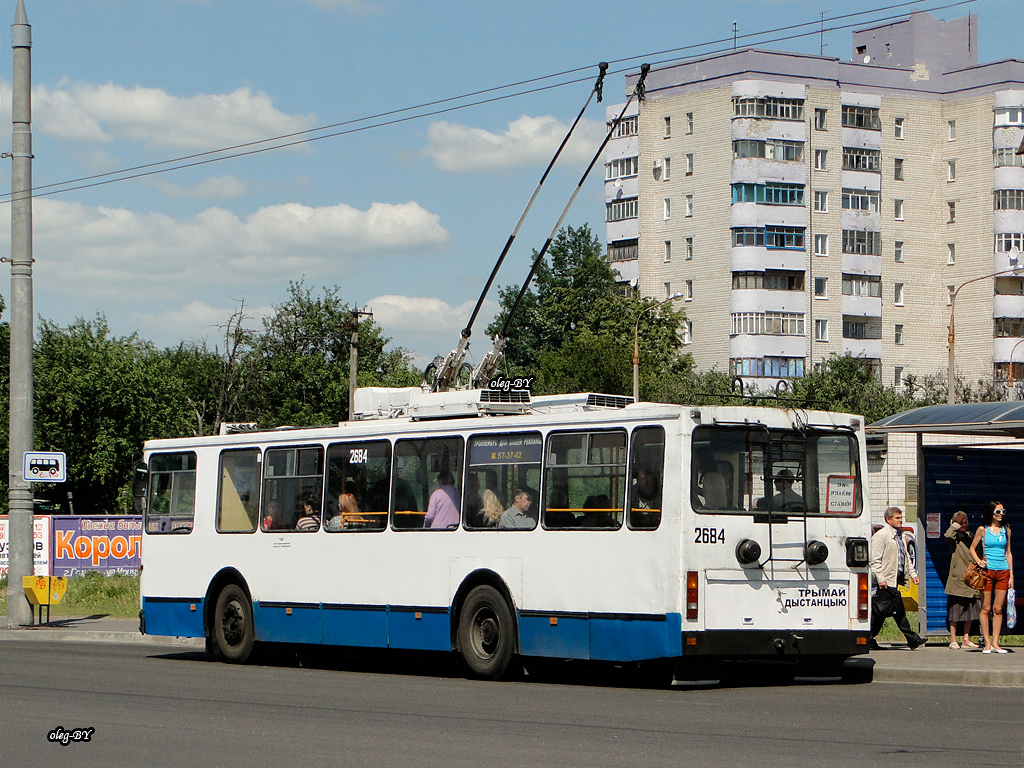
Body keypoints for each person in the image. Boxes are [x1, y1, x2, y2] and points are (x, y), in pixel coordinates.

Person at [870, 506, 925, 650]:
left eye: (901, 518)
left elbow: (905, 557)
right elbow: (875, 561)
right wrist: (881, 578)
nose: (900, 520)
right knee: (894, 612)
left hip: (894, 580)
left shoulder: (900, 535)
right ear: (888, 520)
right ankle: (912, 639)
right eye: (897, 518)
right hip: (885, 582)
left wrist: (913, 574)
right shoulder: (882, 535)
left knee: (884, 613)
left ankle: (869, 638)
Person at [969, 501, 1014, 653]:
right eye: (997, 512)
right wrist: (979, 561)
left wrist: (1011, 574)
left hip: (1003, 571)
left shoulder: (1006, 530)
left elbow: (1008, 552)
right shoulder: (983, 530)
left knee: (998, 608)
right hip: (987, 571)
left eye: (1003, 512)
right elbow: (972, 549)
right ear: (991, 513)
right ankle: (987, 643)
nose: (1001, 515)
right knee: (986, 607)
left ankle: (995, 643)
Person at [944, 511, 981, 649]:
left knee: (970, 610)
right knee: (955, 611)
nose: (963, 525)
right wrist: (955, 525)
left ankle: (966, 638)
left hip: (971, 579)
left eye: (965, 522)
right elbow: (948, 536)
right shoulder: (954, 539)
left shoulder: (970, 536)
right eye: (961, 522)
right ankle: (953, 639)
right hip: (958, 580)